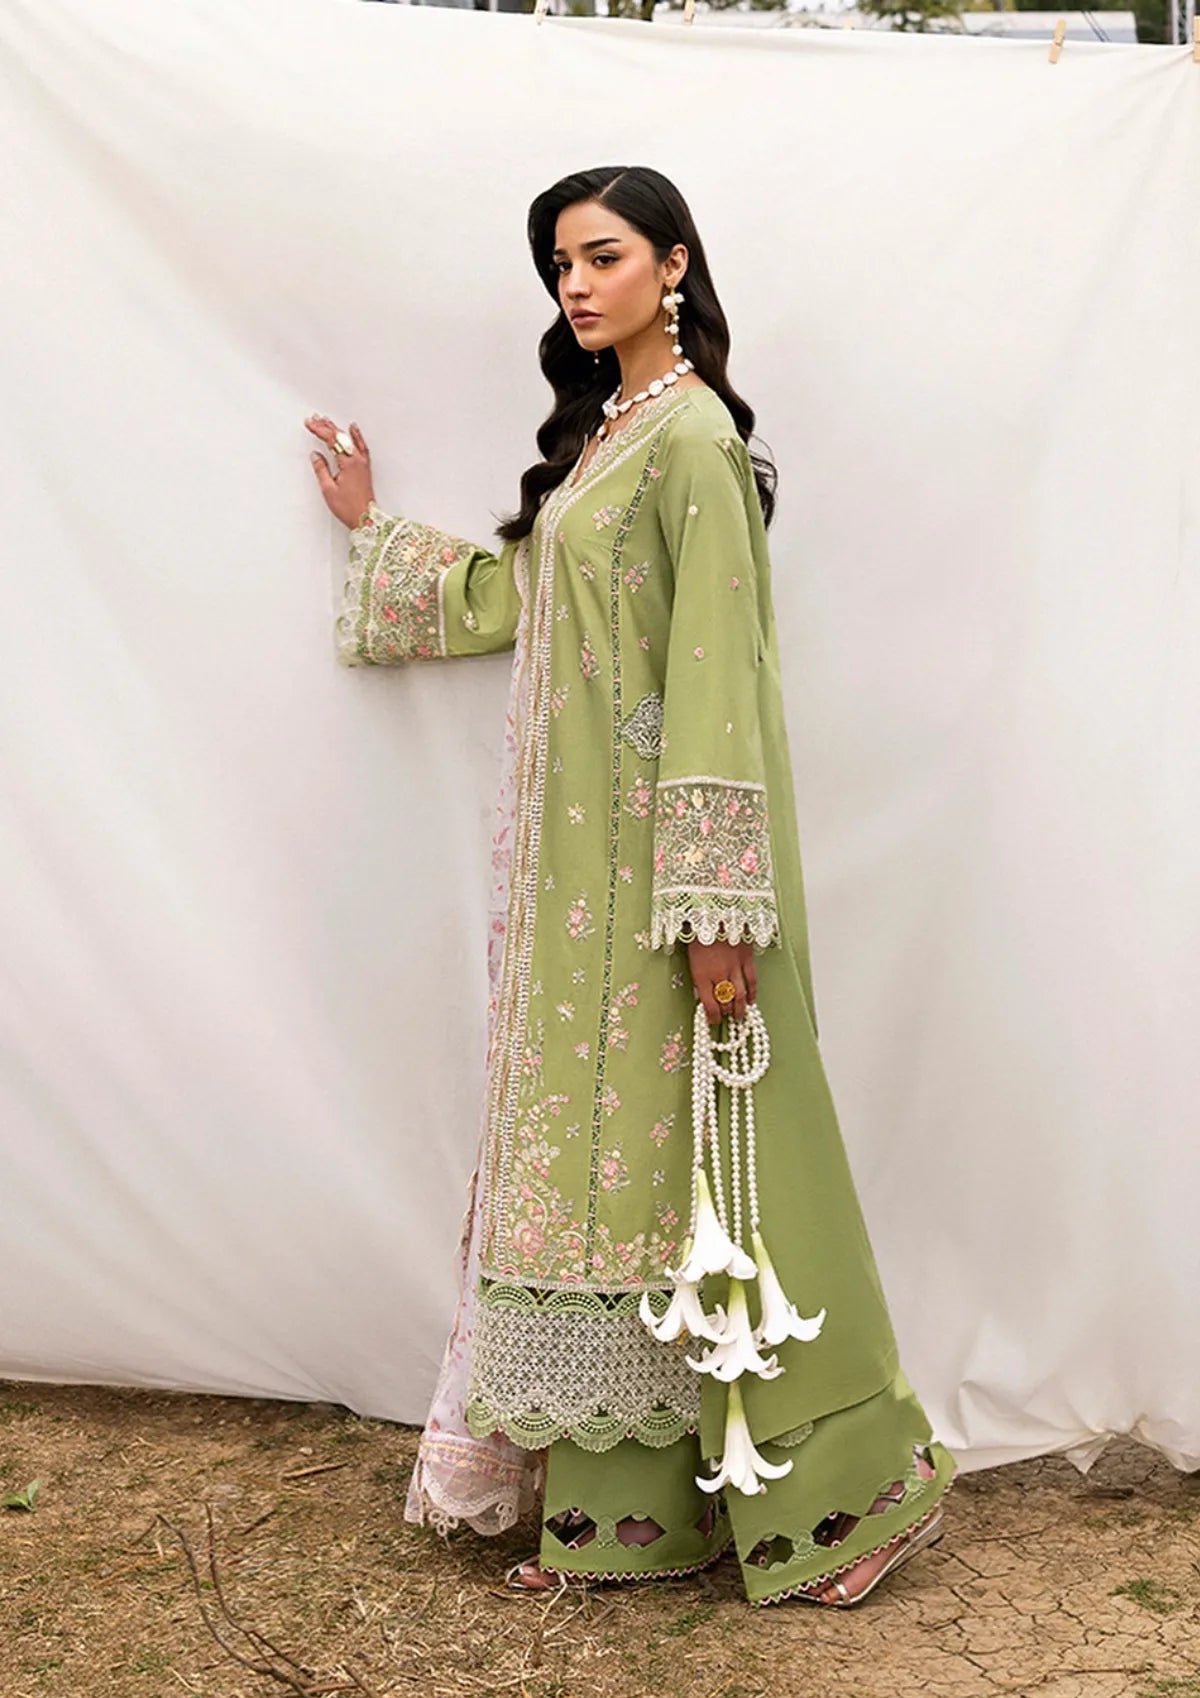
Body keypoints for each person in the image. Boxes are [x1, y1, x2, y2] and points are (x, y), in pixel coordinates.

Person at [305, 165, 956, 1606]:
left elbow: (718, 678)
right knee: (624, 1184)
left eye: (602, 257)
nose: (575, 286)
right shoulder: (609, 438)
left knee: (732, 1170)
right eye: (559, 265)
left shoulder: (697, 438)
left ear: (673, 266)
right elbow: (518, 595)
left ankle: (851, 1495)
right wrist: (374, 532)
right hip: (576, 892)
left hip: (668, 891)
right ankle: (625, 1518)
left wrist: (716, 913)